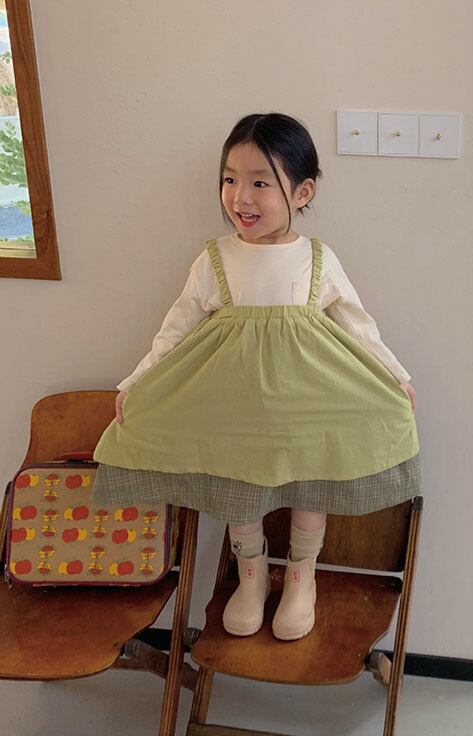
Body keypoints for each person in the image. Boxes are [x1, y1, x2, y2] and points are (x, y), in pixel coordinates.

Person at [92, 112, 420, 641]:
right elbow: (176, 327)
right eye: (230, 179)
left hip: (306, 405)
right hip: (235, 412)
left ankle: (302, 576)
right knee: (239, 490)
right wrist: (138, 382)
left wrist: (394, 376)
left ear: (302, 191)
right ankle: (251, 576)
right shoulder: (215, 259)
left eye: (260, 183)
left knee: (310, 482)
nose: (240, 197)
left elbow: (357, 324)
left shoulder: (316, 258)